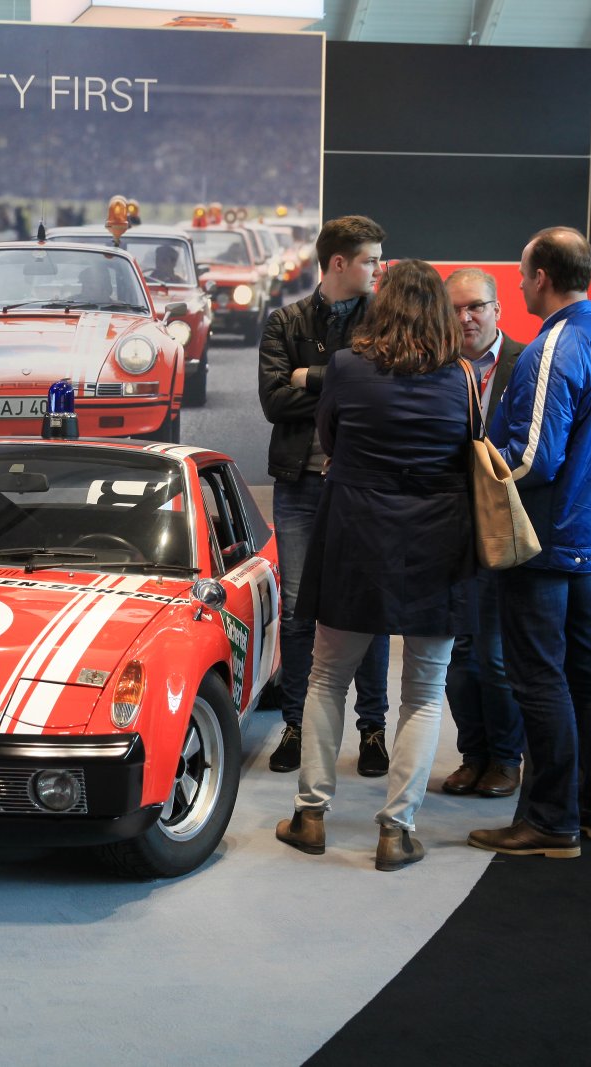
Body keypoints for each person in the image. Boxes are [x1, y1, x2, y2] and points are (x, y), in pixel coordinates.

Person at [273, 260, 476, 872]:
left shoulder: (345, 367)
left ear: (382, 308)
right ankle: (396, 830)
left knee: (326, 677)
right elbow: (469, 450)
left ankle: (310, 816)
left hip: (356, 531)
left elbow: (331, 441)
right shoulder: (461, 376)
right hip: (438, 540)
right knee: (425, 691)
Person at [469, 226, 591, 857]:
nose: (518, 284)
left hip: (543, 542)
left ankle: (549, 820)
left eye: (522, 273)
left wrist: (476, 477)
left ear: (541, 277)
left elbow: (532, 459)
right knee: (588, 671)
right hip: (589, 536)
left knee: (539, 678)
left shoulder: (554, 346)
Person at [258, 215, 392, 777]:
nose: (378, 269)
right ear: (339, 263)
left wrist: (308, 377)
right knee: (296, 613)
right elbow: (273, 402)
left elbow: (383, 394)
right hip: (300, 486)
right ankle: (294, 725)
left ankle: (373, 729)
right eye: (370, 260)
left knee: (368, 607)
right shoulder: (284, 321)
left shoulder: (384, 319)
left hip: (362, 486)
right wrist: (345, 386)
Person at [441, 268, 526, 799]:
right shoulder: (435, 368)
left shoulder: (525, 363)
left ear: (497, 310)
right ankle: (472, 755)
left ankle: (505, 759)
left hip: (500, 529)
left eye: (475, 306)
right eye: (454, 309)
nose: (465, 317)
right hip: (449, 533)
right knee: (456, 658)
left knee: (494, 656)